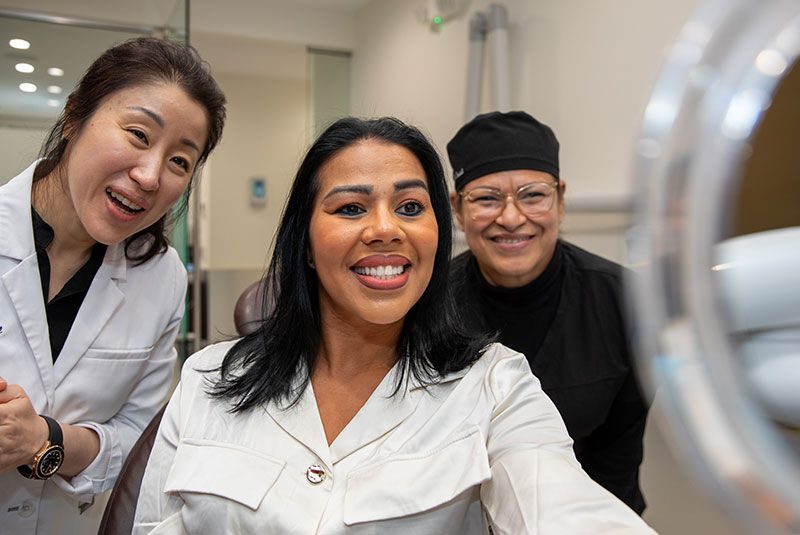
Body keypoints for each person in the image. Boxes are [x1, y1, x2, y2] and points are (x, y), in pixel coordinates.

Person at [133, 116, 656, 534]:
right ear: (306, 243)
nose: (385, 228)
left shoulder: (496, 386)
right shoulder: (207, 380)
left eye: (409, 206)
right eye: (350, 208)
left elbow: (558, 502)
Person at [0, 37, 226, 534]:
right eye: (139, 135)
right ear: (74, 117)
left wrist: (45, 439)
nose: (150, 176)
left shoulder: (162, 276)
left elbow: (141, 441)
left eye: (180, 161)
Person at [446, 110, 649, 513]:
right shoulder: (427, 306)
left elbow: (617, 464)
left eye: (532, 195)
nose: (510, 218)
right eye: (486, 198)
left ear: (560, 201)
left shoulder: (624, 304)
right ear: (458, 210)